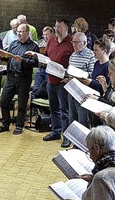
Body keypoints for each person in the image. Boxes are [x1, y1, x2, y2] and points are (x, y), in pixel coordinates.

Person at [62, 125, 115, 200]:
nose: (90, 155)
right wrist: (93, 179)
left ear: (96, 148)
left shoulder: (101, 178)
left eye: (90, 150)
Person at [0, 24, 38, 135]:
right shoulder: (13, 44)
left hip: (24, 78)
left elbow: (35, 63)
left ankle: (19, 126)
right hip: (11, 77)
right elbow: (8, 57)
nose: (19, 33)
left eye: (21, 31)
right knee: (4, 101)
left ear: (28, 33)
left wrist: (22, 60)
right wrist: (2, 55)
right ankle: (5, 124)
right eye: (17, 31)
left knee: (22, 104)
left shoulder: (33, 46)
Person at [41, 19, 73, 148]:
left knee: (64, 111)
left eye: (59, 27)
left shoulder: (71, 42)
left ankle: (67, 137)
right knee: (53, 109)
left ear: (66, 29)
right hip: (51, 80)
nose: (57, 29)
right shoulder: (52, 40)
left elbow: (74, 63)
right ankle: (56, 131)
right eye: (56, 26)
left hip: (63, 81)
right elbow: (47, 55)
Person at [65, 32, 96, 128]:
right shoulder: (73, 55)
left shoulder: (91, 55)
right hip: (72, 88)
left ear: (85, 43)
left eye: (77, 42)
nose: (74, 45)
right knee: (72, 115)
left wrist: (79, 75)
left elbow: (92, 74)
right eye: (73, 42)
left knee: (82, 117)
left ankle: (83, 141)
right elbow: (69, 70)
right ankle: (73, 140)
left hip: (83, 91)